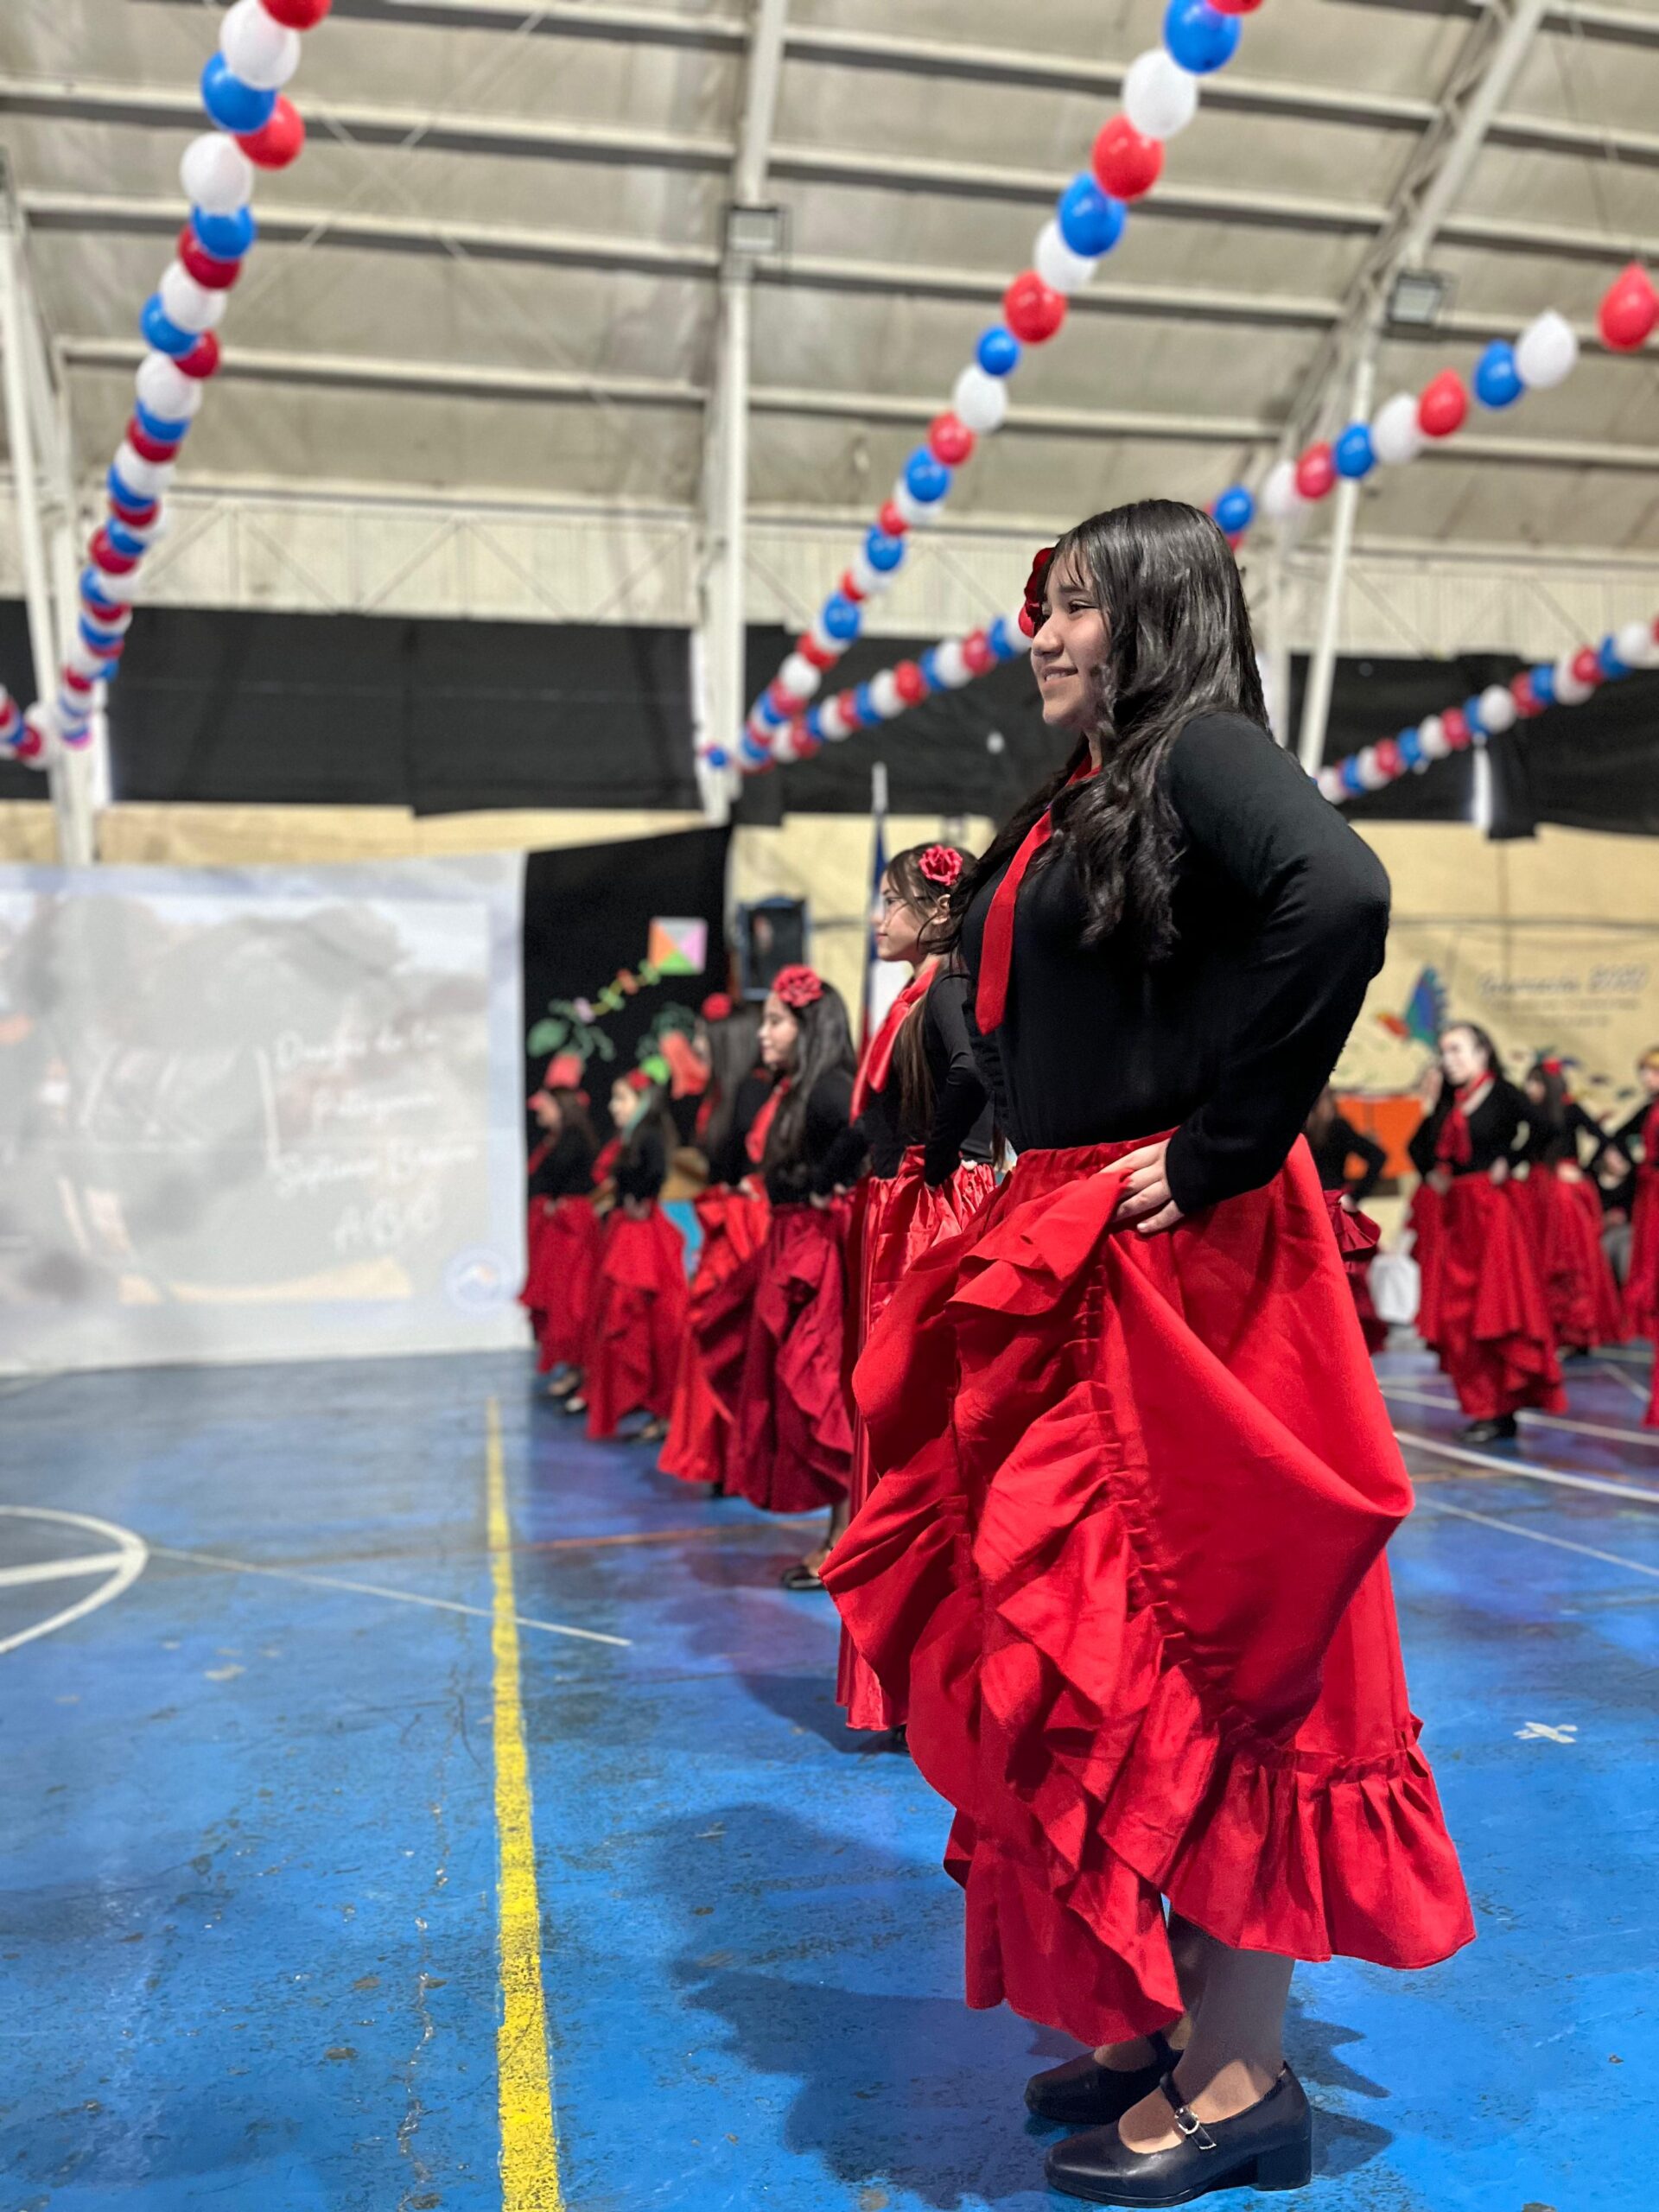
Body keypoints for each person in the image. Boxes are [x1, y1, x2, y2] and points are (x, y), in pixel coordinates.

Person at [822, 499, 1472, 2208]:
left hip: (1178, 1278)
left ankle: (1245, 2075)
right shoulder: (1096, 787)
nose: (1040, 632)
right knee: (1091, 1658)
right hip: (1073, 1260)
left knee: (1211, 1659)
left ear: (1161, 615)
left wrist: (1221, 1146)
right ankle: (1168, 2009)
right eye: (1039, 606)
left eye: (1079, 606)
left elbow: (1343, 890)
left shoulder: (1205, 754)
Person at [822, 842, 998, 1732]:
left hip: (930, 1218)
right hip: (903, 1210)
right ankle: (901, 1674)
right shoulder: (912, 999)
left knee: (917, 1434)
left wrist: (936, 1164)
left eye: (888, 902)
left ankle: (936, 1674)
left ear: (934, 912)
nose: (876, 919)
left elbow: (974, 1072)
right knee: (889, 1426)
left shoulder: (950, 992)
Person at [728, 965, 857, 1588]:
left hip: (817, 1249)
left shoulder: (831, 1087)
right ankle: (838, 1533)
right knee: (808, 1386)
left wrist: (823, 1184)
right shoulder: (801, 1089)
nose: (763, 1034)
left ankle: (843, 1538)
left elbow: (866, 1132)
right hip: (795, 1243)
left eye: (776, 1021)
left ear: (809, 1027)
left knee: (822, 1386)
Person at [1407, 1025, 1563, 1444]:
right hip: (1457, 1217)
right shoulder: (1448, 1100)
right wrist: (1431, 1172)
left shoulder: (1503, 1092)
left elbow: (1547, 1127)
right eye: (1444, 1051)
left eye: (1457, 1050)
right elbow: (1417, 1147)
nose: (1449, 1059)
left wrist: (1511, 1161)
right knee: (1459, 1315)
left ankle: (1501, 1409)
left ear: (1481, 1052)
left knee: (1496, 1310)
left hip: (1492, 1215)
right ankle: (1482, 1406)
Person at [659, 996, 772, 1491]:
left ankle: (733, 1455)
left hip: (742, 1226)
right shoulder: (732, 1094)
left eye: (706, 1036)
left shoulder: (749, 1093)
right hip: (730, 1222)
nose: (697, 1046)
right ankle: (726, 1456)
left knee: (728, 1335)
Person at [572, 1070, 687, 1444]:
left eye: (621, 1098)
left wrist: (637, 1200)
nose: (613, 1106)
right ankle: (646, 1405)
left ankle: (657, 1406)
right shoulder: (633, 1137)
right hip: (630, 1234)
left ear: (640, 1101)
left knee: (648, 1321)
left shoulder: (648, 1136)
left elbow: (653, 1174)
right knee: (632, 1320)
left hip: (641, 1239)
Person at [1514, 1058, 1625, 1355]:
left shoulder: (1570, 1109)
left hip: (1561, 1194)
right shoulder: (1533, 1113)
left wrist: (1583, 1169)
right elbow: (1525, 1150)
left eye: (1535, 1082)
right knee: (1537, 1258)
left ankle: (1575, 1331)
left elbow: (1604, 1138)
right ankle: (1548, 1328)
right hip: (1537, 1192)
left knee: (1568, 1256)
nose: (1530, 1088)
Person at [518, 1080, 605, 1396]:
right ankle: (572, 1366)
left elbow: (557, 1175)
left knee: (574, 1299)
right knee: (561, 1298)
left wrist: (555, 1204)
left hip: (571, 1230)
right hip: (557, 1229)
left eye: (546, 1104)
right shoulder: (556, 1139)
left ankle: (580, 1368)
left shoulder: (572, 1139)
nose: (540, 1110)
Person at [1303, 1086, 1389, 1354]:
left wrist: (1355, 1196)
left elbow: (1377, 1156)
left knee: (1324, 1285)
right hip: (1320, 1212)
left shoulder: (1329, 1127)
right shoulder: (1328, 1125)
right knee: (1336, 1285)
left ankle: (1336, 1347)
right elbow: (1377, 1155)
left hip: (1320, 1213)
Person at [1607, 1046, 1659, 1428]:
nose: (1646, 1078)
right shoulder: (1650, 1107)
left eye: (1651, 1072)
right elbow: (1617, 1136)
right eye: (1644, 1072)